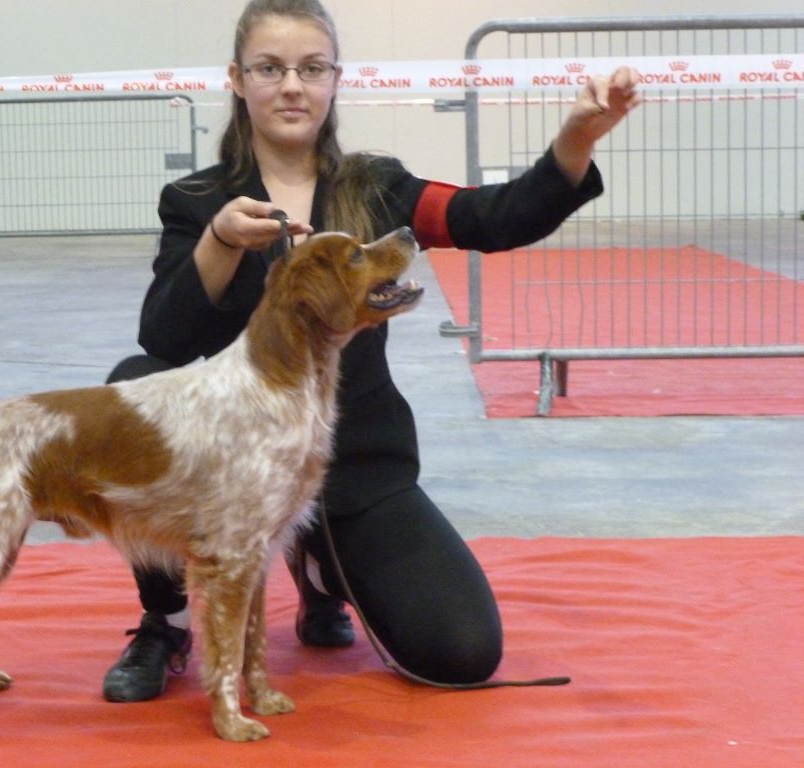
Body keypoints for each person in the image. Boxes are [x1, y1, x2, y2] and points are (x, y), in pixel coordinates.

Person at [102, 0, 641, 703]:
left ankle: (319, 569)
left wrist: (575, 139)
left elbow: (492, 216)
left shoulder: (377, 185)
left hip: (353, 463)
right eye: (270, 68)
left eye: (310, 68)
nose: (292, 85)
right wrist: (221, 240)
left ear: (334, 79)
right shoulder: (197, 199)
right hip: (234, 467)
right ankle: (165, 620)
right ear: (238, 79)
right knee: (134, 386)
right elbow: (165, 338)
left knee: (463, 651)